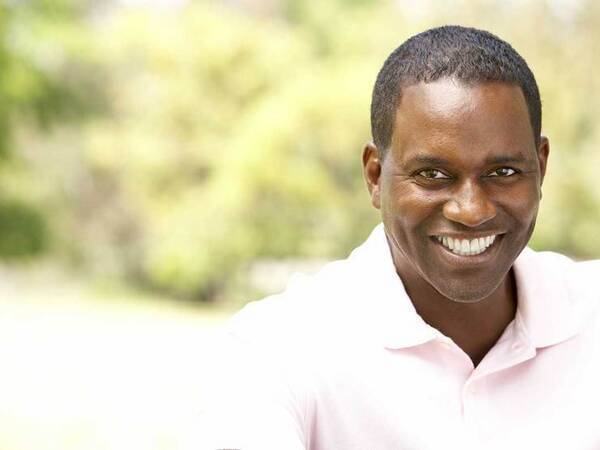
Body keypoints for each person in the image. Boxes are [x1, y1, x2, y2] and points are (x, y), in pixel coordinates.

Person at [202, 25, 600, 449]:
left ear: (541, 167)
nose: (472, 210)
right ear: (375, 176)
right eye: (432, 175)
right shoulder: (274, 348)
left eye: (503, 173)